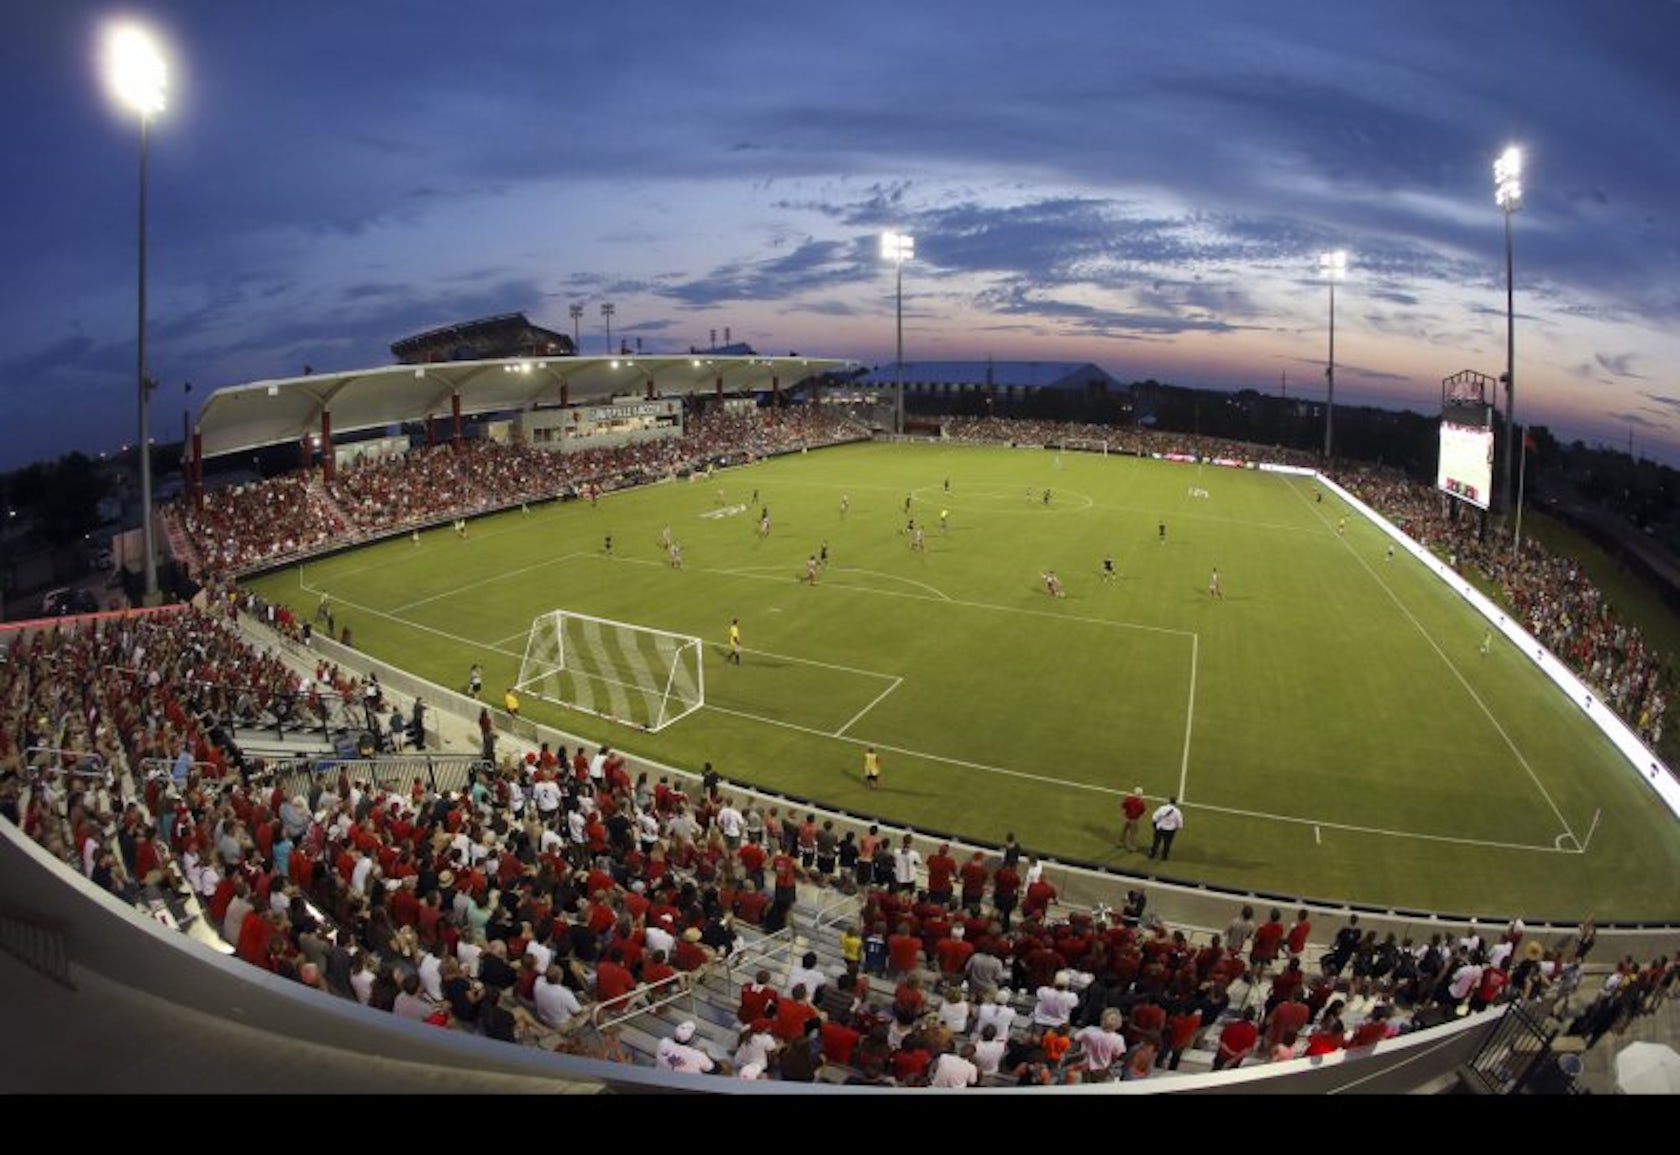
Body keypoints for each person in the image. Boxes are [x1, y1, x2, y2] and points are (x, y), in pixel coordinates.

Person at [1148, 796, 1184, 861]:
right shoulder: (1177, 812)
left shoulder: (1162, 808)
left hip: (1160, 829)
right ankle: (1164, 856)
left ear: (1169, 801)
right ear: (1175, 803)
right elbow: (1180, 823)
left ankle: (1152, 855)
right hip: (1170, 831)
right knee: (1167, 844)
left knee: (1156, 842)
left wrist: (1155, 825)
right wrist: (1177, 828)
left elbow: (1154, 817)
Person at [1121, 787, 1146, 852]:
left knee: (1125, 830)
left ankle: (1121, 841)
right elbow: (1142, 811)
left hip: (1127, 817)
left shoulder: (1128, 799)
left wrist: (1125, 814)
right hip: (1134, 819)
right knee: (1133, 833)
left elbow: (1124, 806)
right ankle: (1131, 846)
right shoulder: (1140, 802)